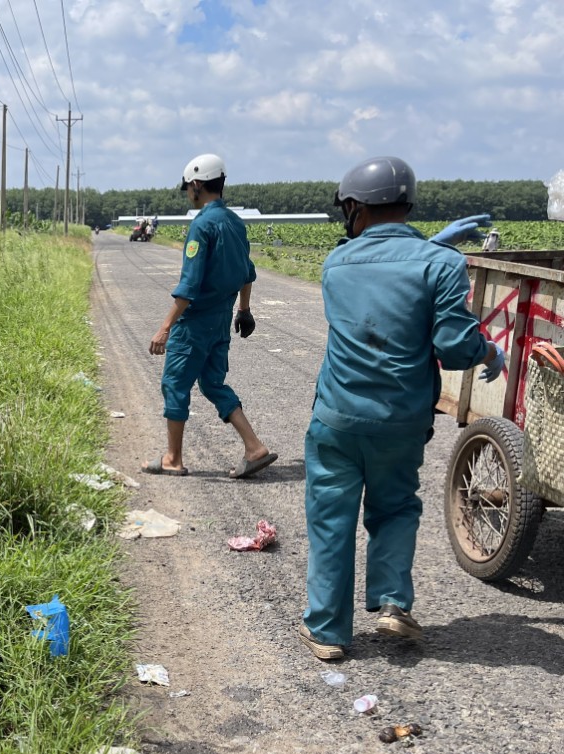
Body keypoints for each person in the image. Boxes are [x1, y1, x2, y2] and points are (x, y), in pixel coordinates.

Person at [298, 157, 506, 661]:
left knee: (331, 517)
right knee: (394, 509)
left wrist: (432, 252)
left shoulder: (335, 265)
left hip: (337, 417)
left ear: (354, 207)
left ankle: (327, 632)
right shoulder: (442, 265)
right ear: (407, 203)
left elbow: (378, 283)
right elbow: (455, 347)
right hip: (401, 420)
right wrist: (489, 350)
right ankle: (393, 603)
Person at [144, 152, 276, 479]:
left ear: (198, 185)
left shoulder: (202, 225)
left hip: (196, 324)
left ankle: (173, 458)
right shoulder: (234, 222)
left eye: (189, 187)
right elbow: (247, 272)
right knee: (213, 383)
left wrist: (164, 328)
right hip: (221, 322)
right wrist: (244, 310)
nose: (189, 192)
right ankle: (254, 446)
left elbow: (188, 286)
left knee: (175, 383)